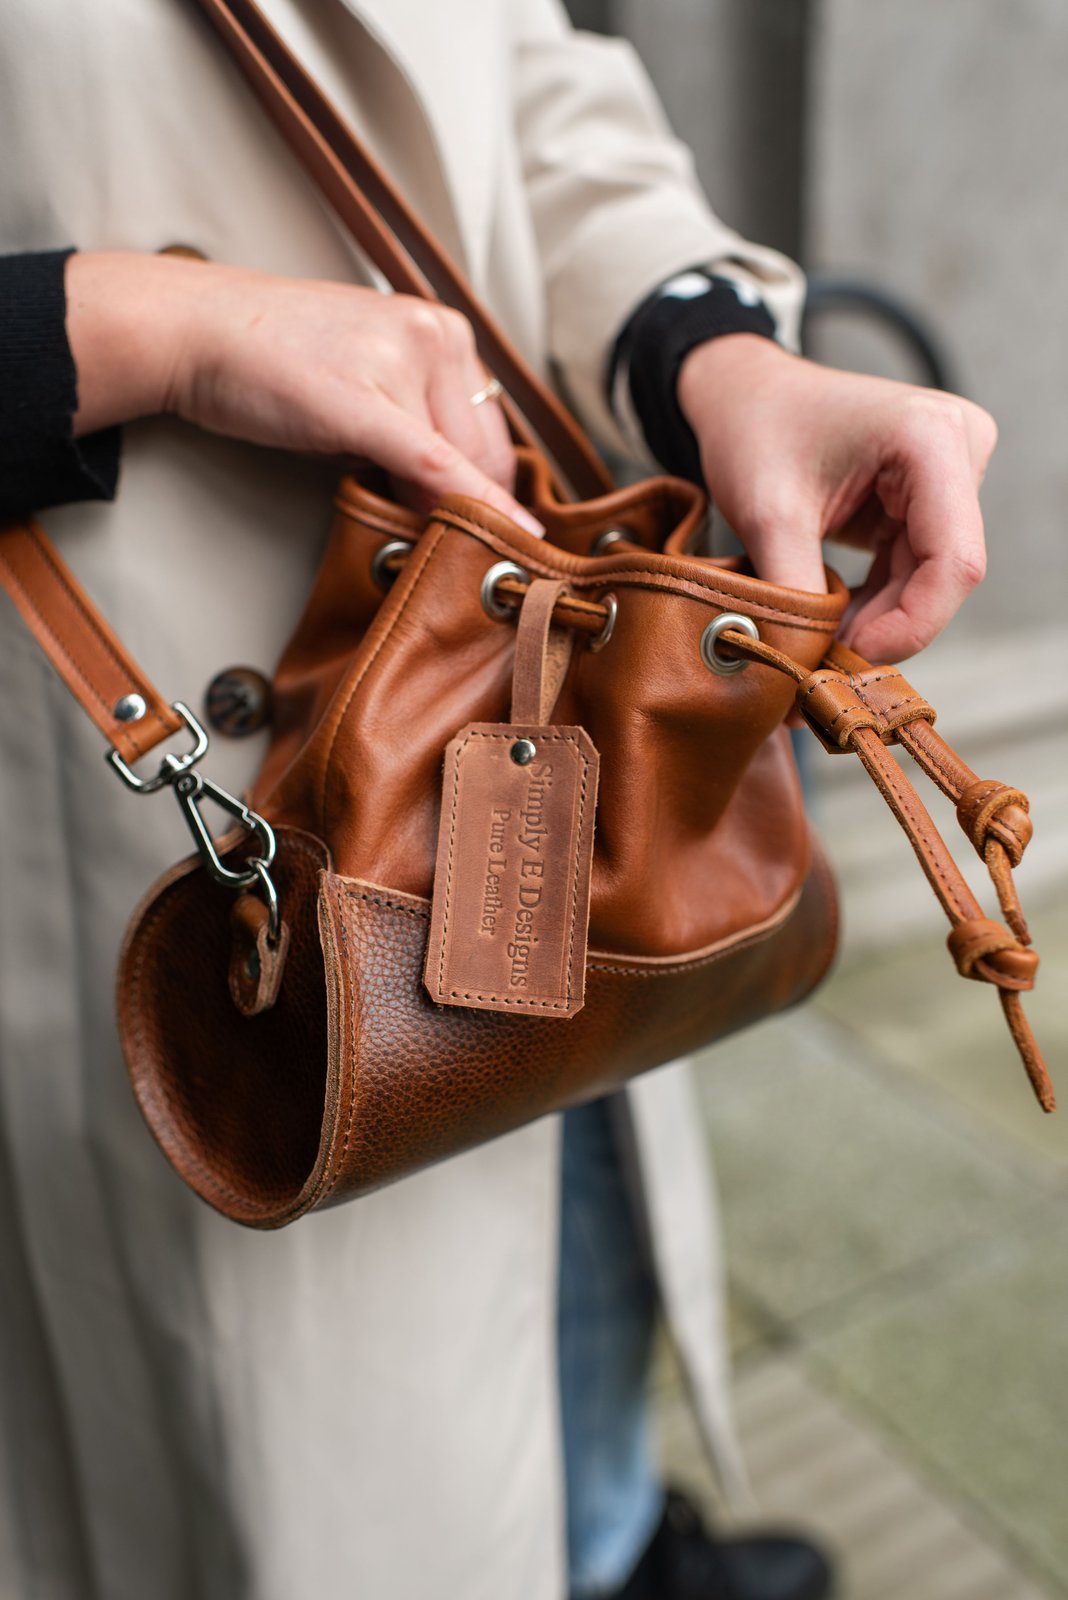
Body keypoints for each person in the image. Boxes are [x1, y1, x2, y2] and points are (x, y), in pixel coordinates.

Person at [0, 2, 996, 1597]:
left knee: (578, 1197)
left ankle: (598, 1539)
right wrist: (131, 330)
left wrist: (709, 355)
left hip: (535, 670)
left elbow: (527, 72)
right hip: (166, 772)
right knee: (316, 1473)